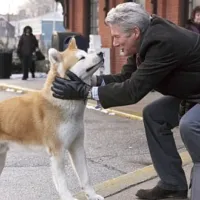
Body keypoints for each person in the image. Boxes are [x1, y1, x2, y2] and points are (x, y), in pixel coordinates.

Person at [51, 2, 200, 199]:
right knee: (154, 115)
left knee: (190, 125)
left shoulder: (162, 42)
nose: (114, 43)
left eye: (116, 37)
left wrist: (83, 91)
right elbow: (126, 78)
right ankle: (172, 184)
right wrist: (89, 81)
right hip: (193, 93)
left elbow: (132, 90)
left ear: (135, 32)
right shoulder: (145, 38)